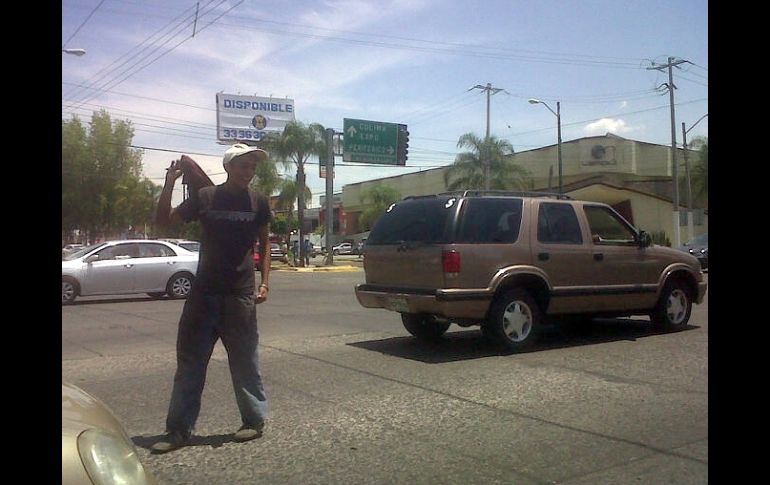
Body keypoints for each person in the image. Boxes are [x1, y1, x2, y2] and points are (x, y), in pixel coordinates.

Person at [151, 144, 272, 454]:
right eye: (243, 166)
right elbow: (163, 223)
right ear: (228, 167)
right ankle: (178, 430)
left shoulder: (258, 202)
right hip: (203, 296)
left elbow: (264, 244)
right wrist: (169, 185)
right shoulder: (205, 197)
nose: (249, 172)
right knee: (190, 364)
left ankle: (253, 421)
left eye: (252, 167)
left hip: (240, 296)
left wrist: (265, 283)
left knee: (245, 363)